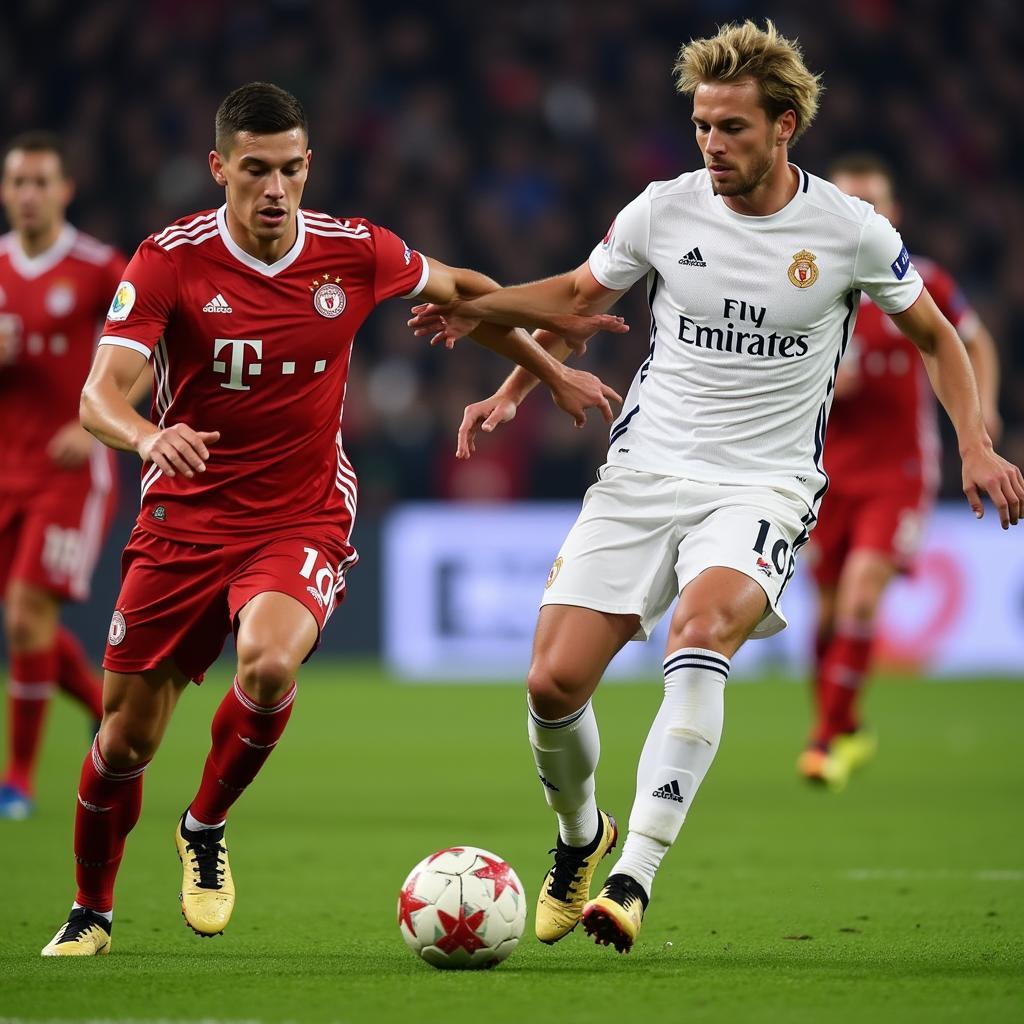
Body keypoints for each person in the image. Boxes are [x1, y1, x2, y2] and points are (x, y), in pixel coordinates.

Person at [409, 20, 1024, 954]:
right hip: (645, 470)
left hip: (765, 484)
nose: (712, 145)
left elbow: (940, 335)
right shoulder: (663, 209)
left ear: (785, 128)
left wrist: (974, 443)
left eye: (732, 128)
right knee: (550, 682)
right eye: (701, 125)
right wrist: (490, 337)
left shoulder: (851, 231)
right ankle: (583, 840)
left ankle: (634, 878)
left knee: (699, 638)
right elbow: (581, 298)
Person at [40, 81, 624, 957]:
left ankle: (203, 828)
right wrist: (147, 434)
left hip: (300, 514)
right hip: (183, 520)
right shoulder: (169, 259)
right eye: (253, 171)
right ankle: (92, 911)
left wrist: (547, 371)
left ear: (308, 166)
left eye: (288, 170)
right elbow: (97, 398)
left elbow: (467, 292)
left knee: (269, 664)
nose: (274, 190)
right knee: (124, 740)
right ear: (220, 169)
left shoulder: (356, 251)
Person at [798, 153, 1003, 790]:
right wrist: (826, 387)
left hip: (899, 472)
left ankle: (826, 741)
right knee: (827, 617)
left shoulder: (922, 282)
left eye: (874, 203)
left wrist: (983, 411)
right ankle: (847, 725)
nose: (864, 213)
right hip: (821, 475)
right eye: (851, 202)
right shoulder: (805, 283)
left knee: (862, 593)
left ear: (894, 213)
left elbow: (973, 340)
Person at [0, 132, 126, 820]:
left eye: (40, 182)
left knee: (25, 615)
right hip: (3, 469)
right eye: (17, 181)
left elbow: (158, 338)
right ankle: (106, 707)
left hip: (67, 473)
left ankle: (16, 780)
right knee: (28, 625)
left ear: (64, 190)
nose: (28, 194)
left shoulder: (99, 267)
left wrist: (94, 420)